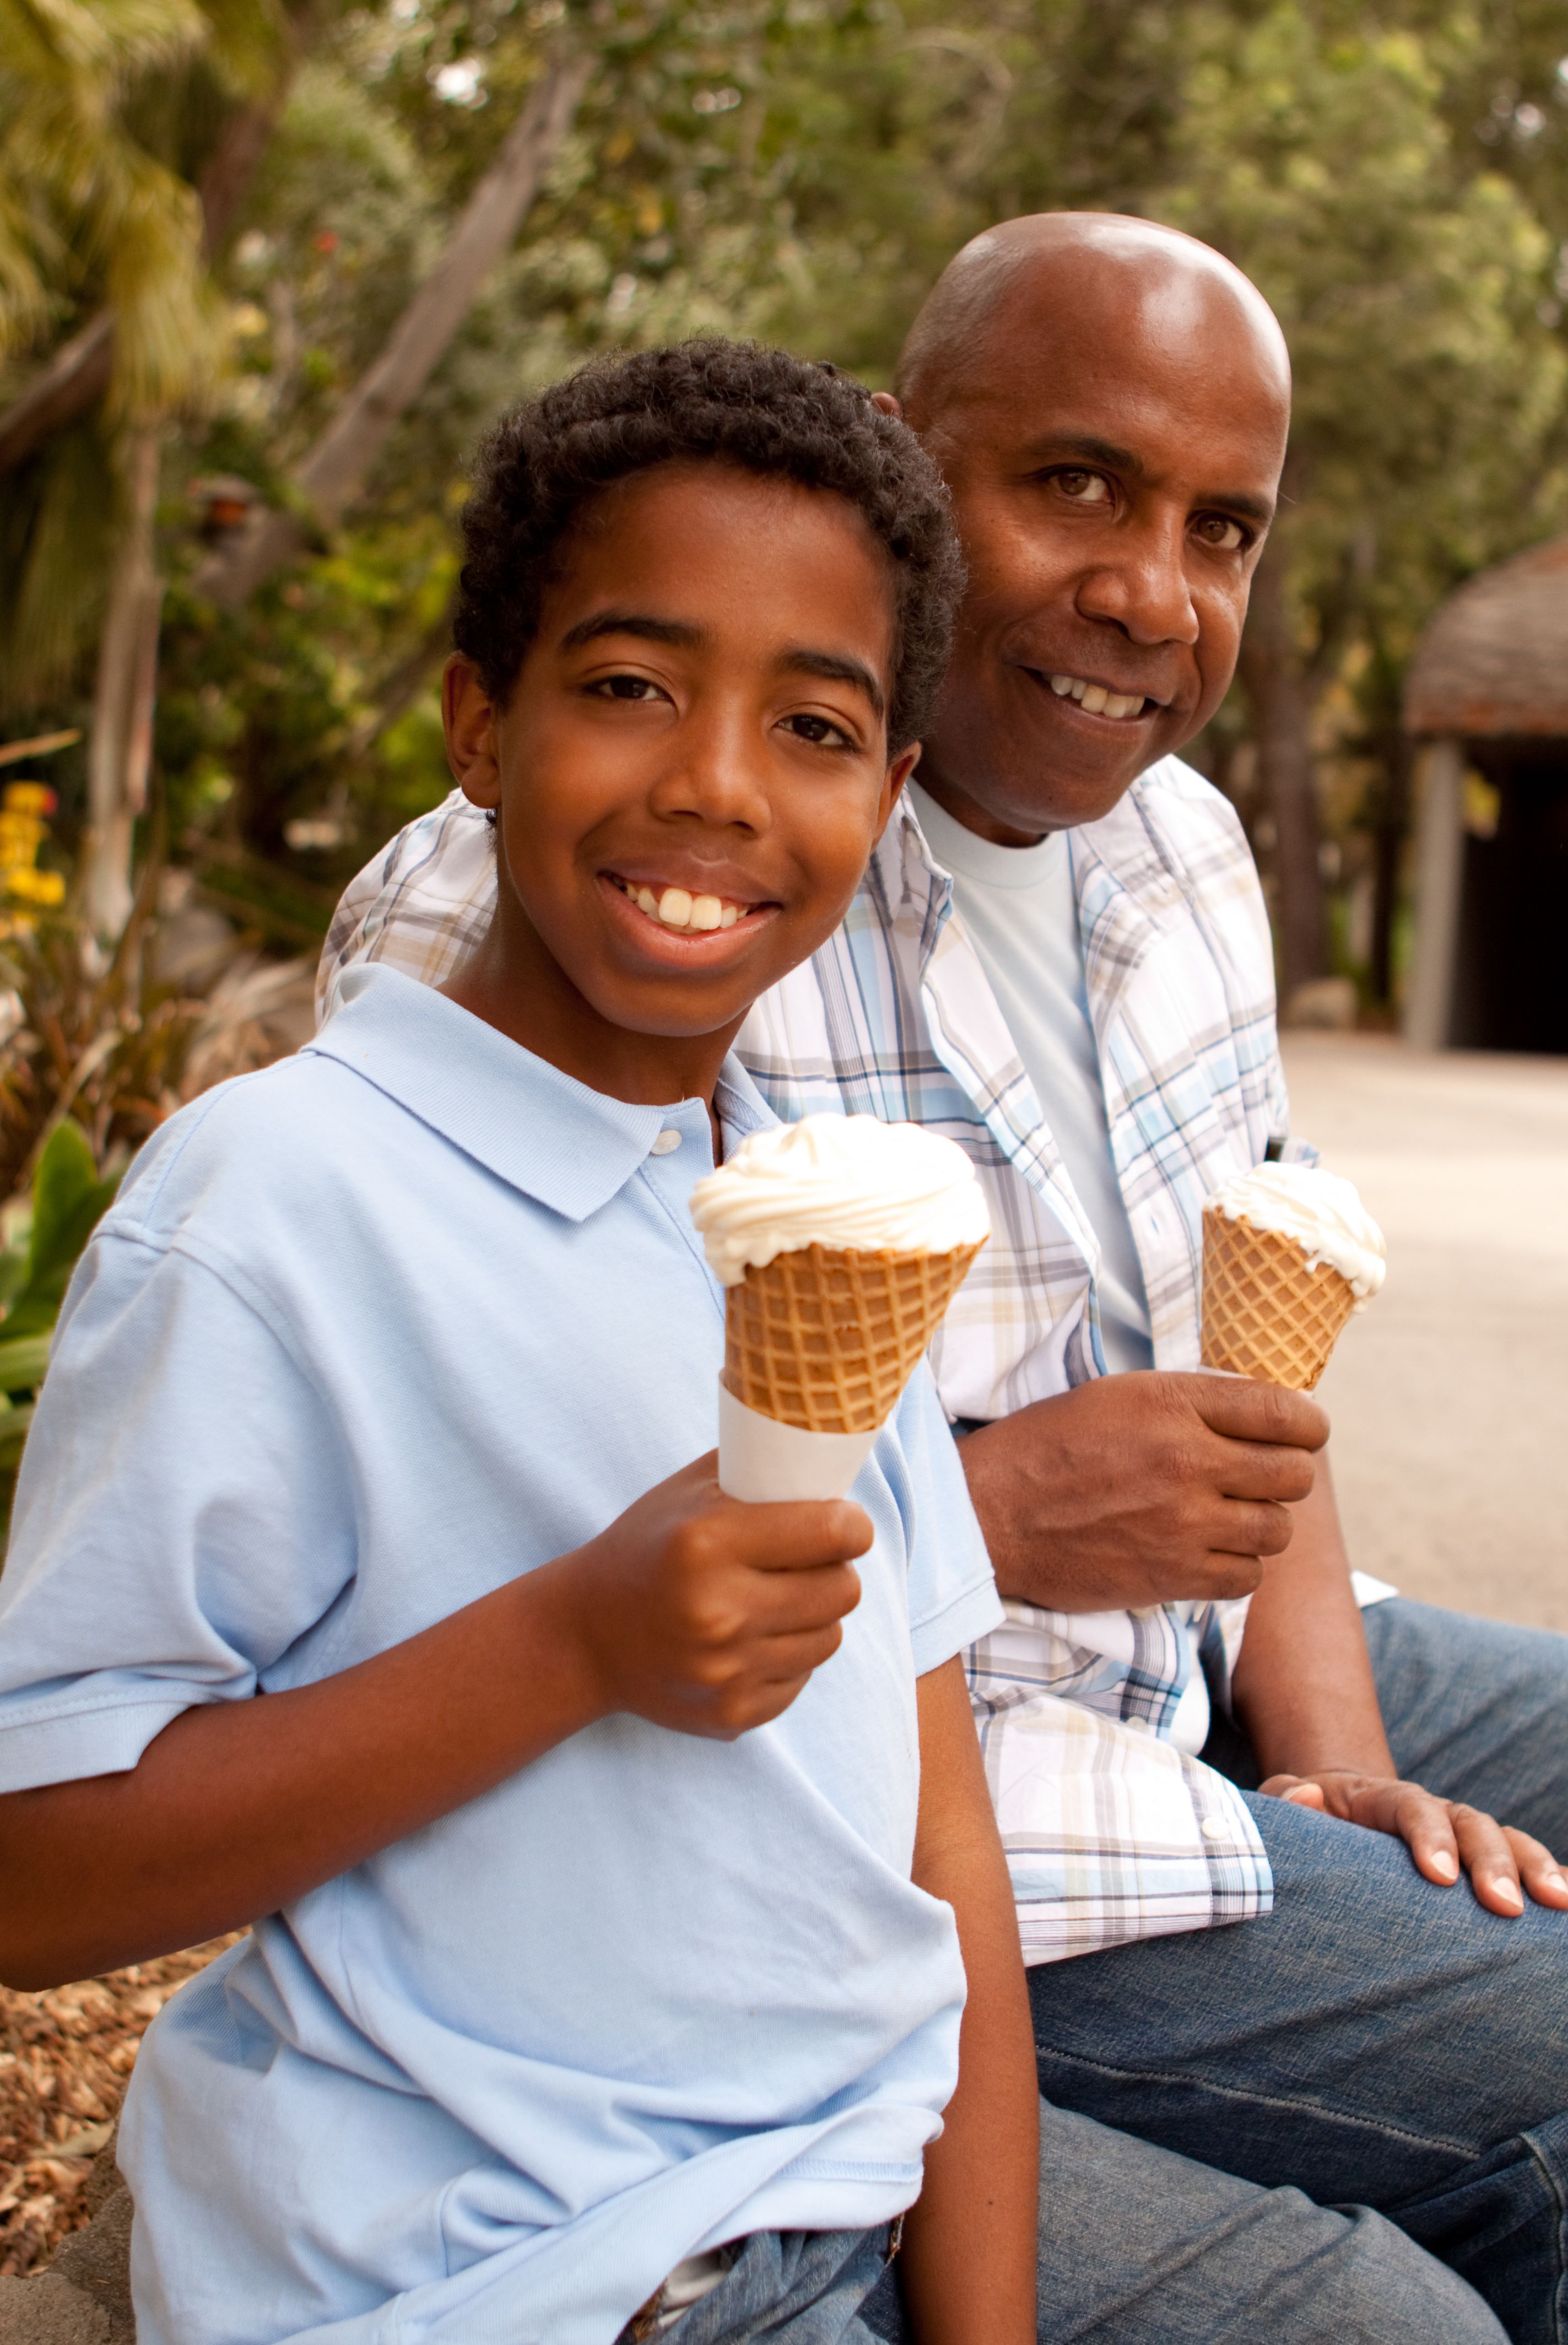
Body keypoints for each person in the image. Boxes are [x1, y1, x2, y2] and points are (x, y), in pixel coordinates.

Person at [322, 220, 1568, 2343]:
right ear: (906, 468)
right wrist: (979, 1514)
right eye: (1074, 484)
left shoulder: (1180, 851)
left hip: (1198, 1665)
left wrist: (1332, 1747)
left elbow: (1267, 1341)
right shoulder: (595, 901)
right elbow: (518, 1621)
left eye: (1222, 529)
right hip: (917, 1800)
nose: (1152, 594)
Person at [0, 344, 1040, 2345]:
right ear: (481, 721)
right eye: (631, 686)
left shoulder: (824, 1225)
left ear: (888, 793)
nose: (715, 785)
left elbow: (946, 1851)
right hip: (536, 2269)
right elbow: (36, 1875)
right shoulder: (276, 1201)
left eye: (812, 722)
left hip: (859, 2176)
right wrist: (578, 1641)